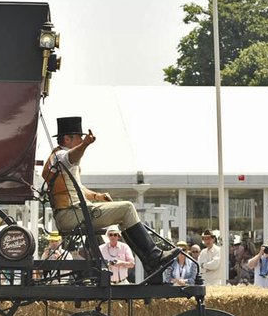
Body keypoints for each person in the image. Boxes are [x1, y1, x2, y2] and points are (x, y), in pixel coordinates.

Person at [41, 116, 178, 282]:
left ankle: (151, 259)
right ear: (67, 138)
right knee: (127, 208)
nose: (81, 140)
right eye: (78, 137)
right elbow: (70, 157)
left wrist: (98, 196)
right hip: (72, 215)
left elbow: (79, 189)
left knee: (124, 214)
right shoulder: (60, 156)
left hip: (75, 213)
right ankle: (153, 257)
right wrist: (85, 145)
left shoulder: (61, 161)